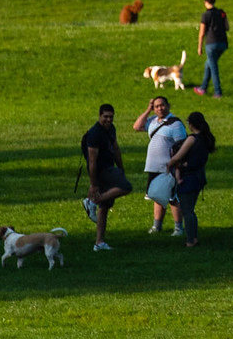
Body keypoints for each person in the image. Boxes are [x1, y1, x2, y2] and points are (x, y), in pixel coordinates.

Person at [131, 95, 188, 235]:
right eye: (156, 106)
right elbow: (137, 126)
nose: (159, 108)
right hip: (153, 167)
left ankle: (178, 228)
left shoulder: (175, 124)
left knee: (172, 198)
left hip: (169, 166)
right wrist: (148, 110)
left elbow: (183, 146)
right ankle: (157, 226)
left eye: (162, 105)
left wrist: (176, 164)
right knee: (157, 196)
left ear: (168, 106)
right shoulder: (152, 121)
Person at [80, 103, 132, 252]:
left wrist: (121, 167)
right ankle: (92, 200)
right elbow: (91, 160)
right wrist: (93, 184)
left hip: (110, 167)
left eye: (111, 117)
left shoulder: (110, 129)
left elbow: (115, 148)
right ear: (99, 116)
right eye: (105, 117)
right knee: (126, 187)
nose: (108, 120)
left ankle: (99, 242)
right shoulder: (95, 134)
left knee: (105, 208)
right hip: (102, 170)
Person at [165, 111, 216, 248]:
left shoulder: (192, 139)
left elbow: (178, 157)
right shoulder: (206, 138)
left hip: (188, 177)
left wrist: (169, 164)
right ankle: (193, 237)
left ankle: (191, 240)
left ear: (190, 124)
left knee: (187, 210)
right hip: (199, 177)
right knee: (191, 208)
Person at [196, 0, 228, 97]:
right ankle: (203, 87)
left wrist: (199, 47)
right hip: (222, 43)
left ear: (205, 2)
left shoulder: (206, 15)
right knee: (208, 64)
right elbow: (227, 27)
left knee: (214, 68)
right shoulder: (221, 12)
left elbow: (202, 33)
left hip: (211, 43)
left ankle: (217, 92)